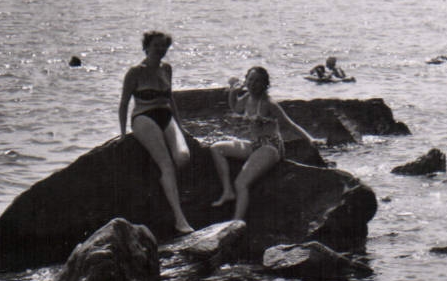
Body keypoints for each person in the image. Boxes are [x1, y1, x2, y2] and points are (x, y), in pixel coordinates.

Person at [208, 66, 317, 222]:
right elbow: (236, 109)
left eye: (258, 81)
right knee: (216, 148)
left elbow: (289, 124)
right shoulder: (247, 97)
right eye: (250, 80)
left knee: (241, 183)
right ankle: (227, 191)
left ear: (265, 84)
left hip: (270, 148)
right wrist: (232, 92)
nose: (253, 84)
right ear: (246, 81)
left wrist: (309, 139)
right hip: (255, 144)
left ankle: (236, 223)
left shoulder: (269, 103)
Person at [118, 30, 195, 235]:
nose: (160, 49)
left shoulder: (166, 68)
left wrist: (180, 126)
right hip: (143, 117)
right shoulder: (135, 72)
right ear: (146, 47)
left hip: (166, 115)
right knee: (166, 164)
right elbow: (124, 103)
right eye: (156, 45)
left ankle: (166, 186)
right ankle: (180, 219)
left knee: (183, 157)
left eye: (164, 46)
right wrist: (123, 133)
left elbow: (171, 99)